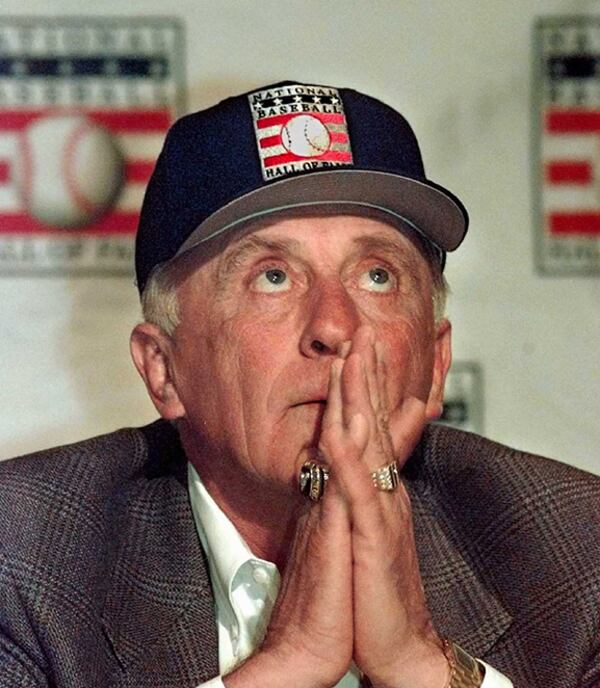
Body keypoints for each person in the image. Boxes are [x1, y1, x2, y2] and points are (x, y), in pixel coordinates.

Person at [0, 80, 599, 688]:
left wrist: (421, 663)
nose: (335, 326)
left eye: (377, 275)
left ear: (436, 359)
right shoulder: (23, 553)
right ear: (163, 368)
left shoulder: (577, 551)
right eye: (274, 276)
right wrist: (291, 661)